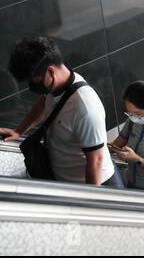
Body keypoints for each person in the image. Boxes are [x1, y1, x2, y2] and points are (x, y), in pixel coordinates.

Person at [0, 36, 121, 186]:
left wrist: (90, 202)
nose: (31, 86)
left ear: (51, 71)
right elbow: (42, 104)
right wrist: (19, 131)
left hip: (92, 186)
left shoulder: (85, 108)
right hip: (64, 181)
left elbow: (95, 161)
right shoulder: (55, 86)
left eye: (33, 80)